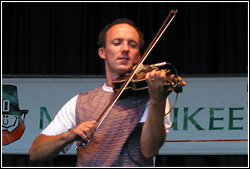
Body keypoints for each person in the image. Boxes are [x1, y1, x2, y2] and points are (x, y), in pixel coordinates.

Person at [29, 19, 173, 167]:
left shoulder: (152, 95)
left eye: (132, 45)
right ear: (102, 52)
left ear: (138, 57)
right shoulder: (80, 103)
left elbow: (150, 150)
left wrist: (157, 100)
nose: (125, 49)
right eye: (117, 43)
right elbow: (35, 153)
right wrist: (69, 136)